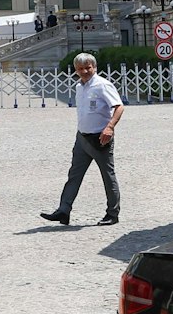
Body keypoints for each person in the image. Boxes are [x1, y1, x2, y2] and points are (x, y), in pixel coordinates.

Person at [41, 52, 123, 225]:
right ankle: (64, 210)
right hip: (82, 138)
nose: (85, 71)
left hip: (100, 138)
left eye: (88, 67)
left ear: (94, 67)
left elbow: (119, 107)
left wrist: (110, 127)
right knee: (74, 175)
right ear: (76, 70)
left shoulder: (103, 85)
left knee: (108, 176)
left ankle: (112, 213)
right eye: (80, 69)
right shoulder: (79, 87)